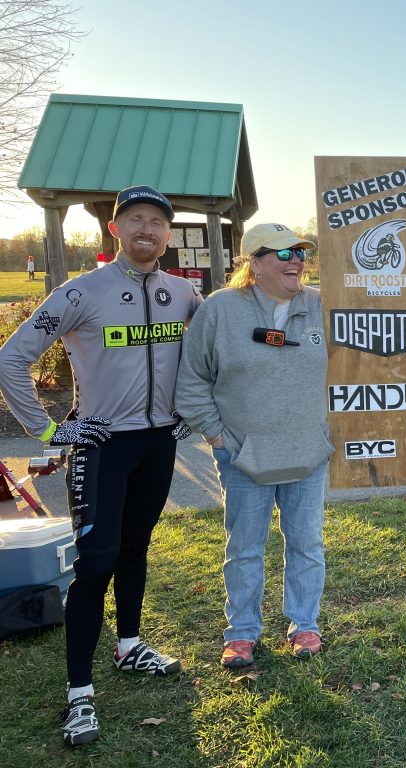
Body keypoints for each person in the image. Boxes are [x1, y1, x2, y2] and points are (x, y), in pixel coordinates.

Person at [0, 185, 202, 746]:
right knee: (95, 566)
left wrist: (191, 411)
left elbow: (213, 354)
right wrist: (48, 429)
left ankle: (131, 645)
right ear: (115, 230)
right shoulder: (81, 292)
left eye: (157, 222)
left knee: (136, 548)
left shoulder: (184, 295)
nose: (147, 229)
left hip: (160, 444)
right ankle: (80, 696)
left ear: (167, 234)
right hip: (102, 445)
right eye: (135, 219)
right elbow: (10, 358)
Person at [174, 223, 334, 669]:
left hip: (307, 454)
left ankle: (305, 624)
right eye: (282, 254)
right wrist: (218, 436)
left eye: (299, 252)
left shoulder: (322, 304)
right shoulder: (221, 310)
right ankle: (242, 632)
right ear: (254, 262)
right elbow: (191, 381)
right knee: (244, 547)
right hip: (244, 457)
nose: (295, 261)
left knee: (307, 543)